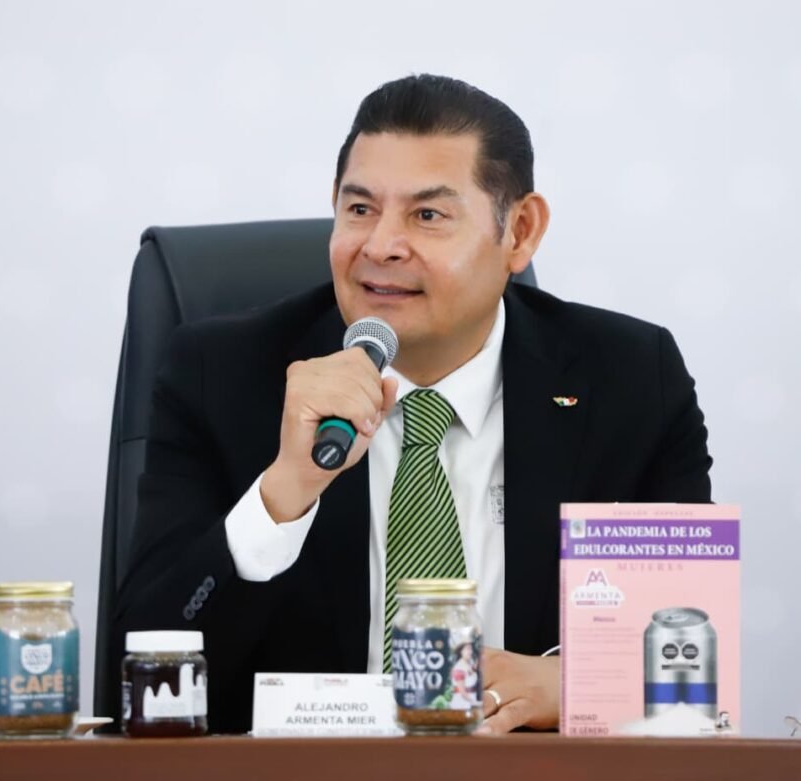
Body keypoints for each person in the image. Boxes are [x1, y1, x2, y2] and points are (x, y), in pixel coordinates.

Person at [112, 74, 713, 735]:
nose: (380, 246)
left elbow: (686, 661)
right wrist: (284, 495)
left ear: (519, 231)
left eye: (427, 216)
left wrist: (581, 683)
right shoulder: (224, 375)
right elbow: (136, 675)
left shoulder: (629, 381)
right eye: (359, 209)